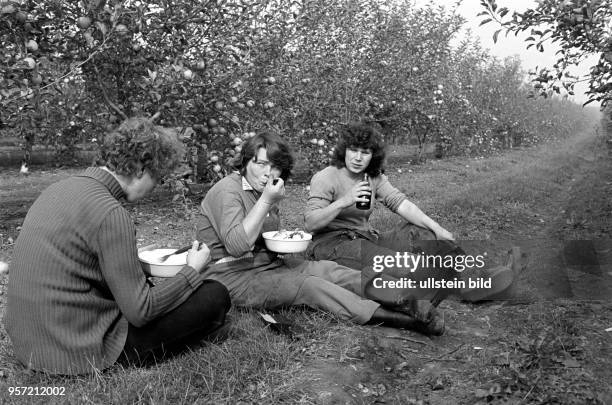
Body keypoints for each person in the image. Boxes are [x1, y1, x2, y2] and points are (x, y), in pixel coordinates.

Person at [5, 117, 231, 375]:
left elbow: (79, 263)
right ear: (139, 170)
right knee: (214, 295)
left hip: (31, 344)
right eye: (157, 178)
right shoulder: (111, 213)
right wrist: (191, 271)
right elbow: (140, 311)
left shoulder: (59, 189)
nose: (155, 187)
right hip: (74, 351)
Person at [196, 132, 444, 336]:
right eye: (260, 164)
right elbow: (237, 245)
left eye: (275, 167)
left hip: (265, 263)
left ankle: (407, 300)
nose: (268, 173)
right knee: (311, 286)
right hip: (228, 275)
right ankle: (398, 318)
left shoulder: (264, 190)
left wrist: (285, 239)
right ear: (246, 162)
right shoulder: (227, 190)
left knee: (330, 270)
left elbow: (264, 238)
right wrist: (267, 202)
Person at [304, 122, 523, 306]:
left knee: (424, 235)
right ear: (344, 150)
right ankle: (429, 290)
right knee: (398, 262)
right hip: (333, 244)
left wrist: (436, 228)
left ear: (373, 156)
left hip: (366, 236)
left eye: (365, 152)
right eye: (354, 150)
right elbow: (311, 224)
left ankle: (476, 282)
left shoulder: (372, 177)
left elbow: (401, 204)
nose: (358, 158)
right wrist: (344, 201)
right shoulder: (326, 177)